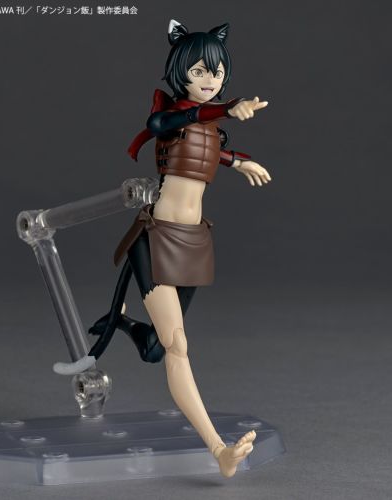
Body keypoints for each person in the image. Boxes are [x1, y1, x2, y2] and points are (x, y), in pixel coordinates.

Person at [90, 19, 272, 478]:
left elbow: (205, 148)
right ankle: (219, 450)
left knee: (157, 348)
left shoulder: (206, 124)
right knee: (178, 346)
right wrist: (227, 107)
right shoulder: (169, 115)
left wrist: (237, 161)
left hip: (195, 240)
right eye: (199, 71)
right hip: (157, 237)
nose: (210, 79)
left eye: (218, 72)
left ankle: (125, 324)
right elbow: (169, 125)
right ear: (180, 72)